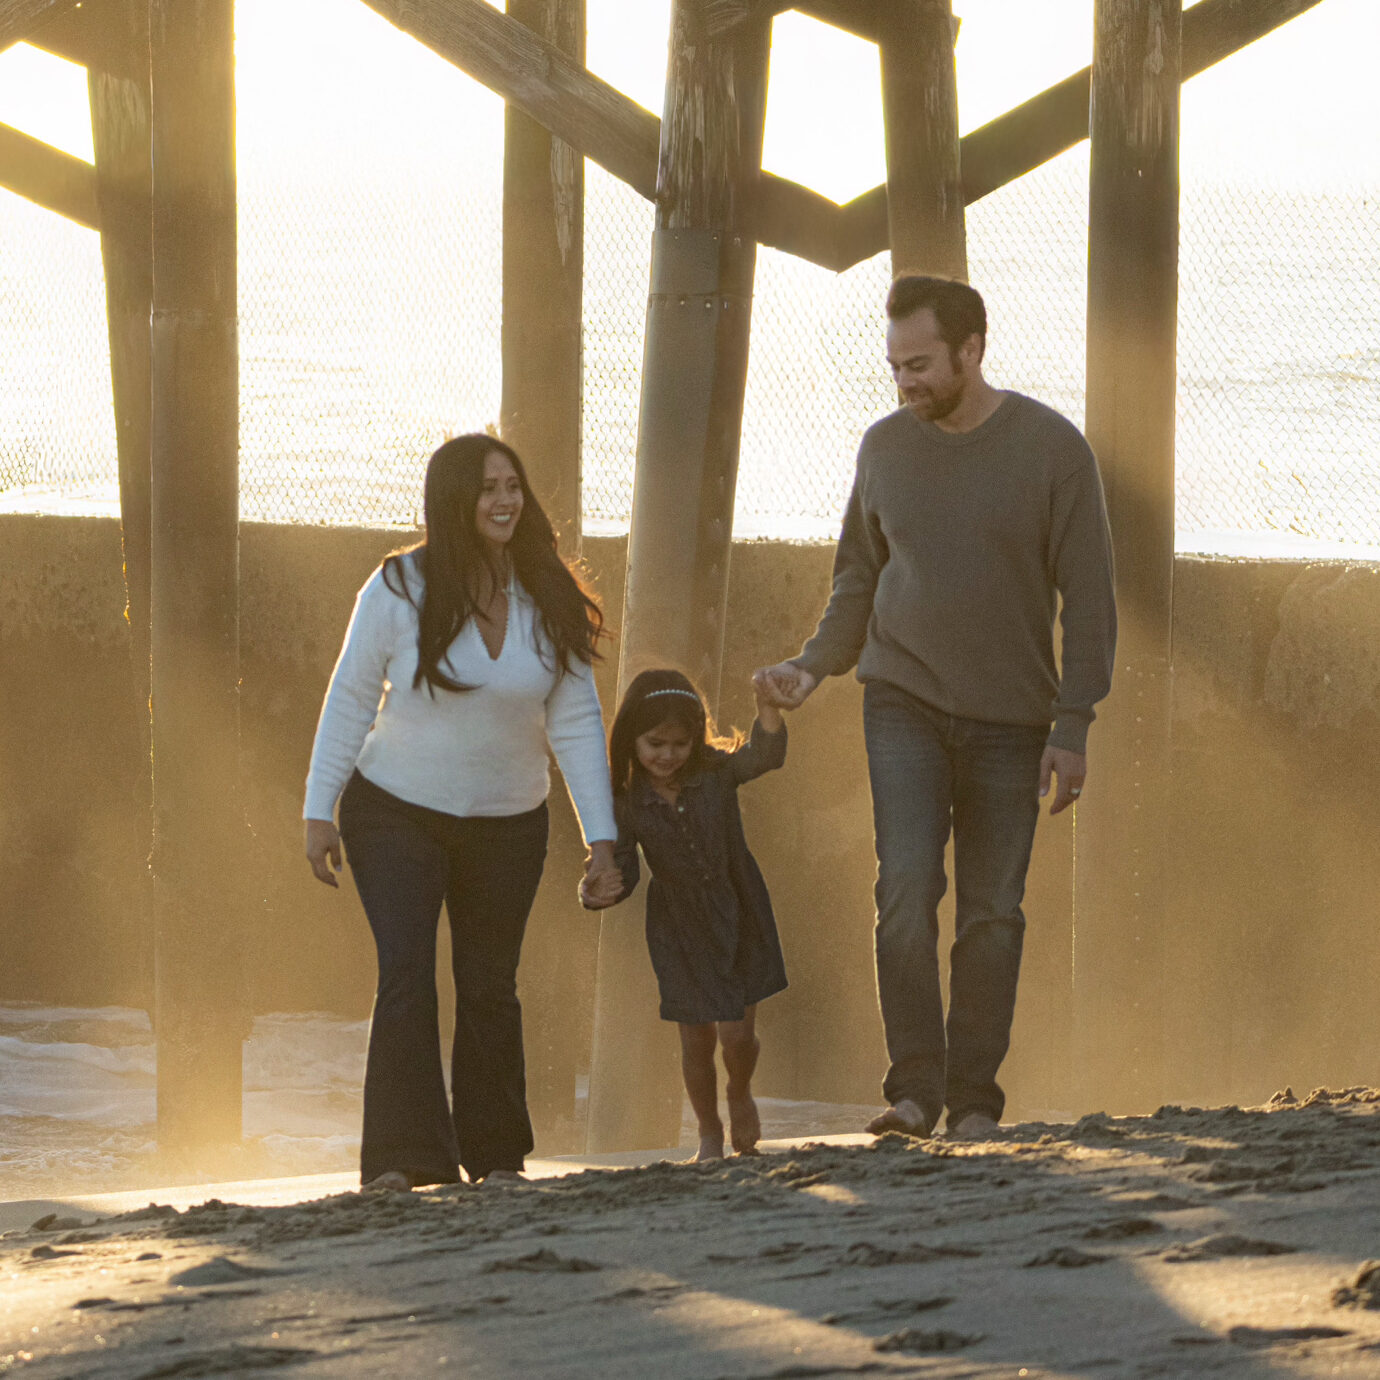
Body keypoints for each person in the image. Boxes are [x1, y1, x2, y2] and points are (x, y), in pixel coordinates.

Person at [755, 274, 1116, 1142]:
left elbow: (1091, 599)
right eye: (895, 368)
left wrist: (1073, 727)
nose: (906, 382)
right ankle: (914, 1089)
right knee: (907, 889)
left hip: (1013, 720)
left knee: (993, 911)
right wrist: (814, 666)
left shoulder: (1053, 451)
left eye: (920, 365)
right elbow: (858, 576)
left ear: (971, 350)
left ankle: (975, 1098)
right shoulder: (883, 449)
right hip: (902, 701)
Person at [303, 433, 620, 1189]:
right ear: (454, 501)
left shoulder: (546, 594)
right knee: (407, 973)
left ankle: (498, 1158)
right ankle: (402, 1162)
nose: (505, 501)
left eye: (513, 485)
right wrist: (319, 808)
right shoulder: (399, 588)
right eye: (487, 489)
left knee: (489, 983)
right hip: (394, 811)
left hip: (509, 822)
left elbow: (575, 721)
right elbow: (351, 696)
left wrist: (601, 839)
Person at [580, 668, 788, 1162]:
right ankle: (708, 1132)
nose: (667, 754)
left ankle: (739, 1091)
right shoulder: (625, 802)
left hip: (740, 913)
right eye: (655, 743)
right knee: (697, 1042)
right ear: (631, 739)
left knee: (737, 1037)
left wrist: (768, 709)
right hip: (679, 927)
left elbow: (764, 756)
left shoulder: (715, 773)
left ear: (695, 740)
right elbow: (625, 868)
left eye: (679, 742)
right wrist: (599, 891)